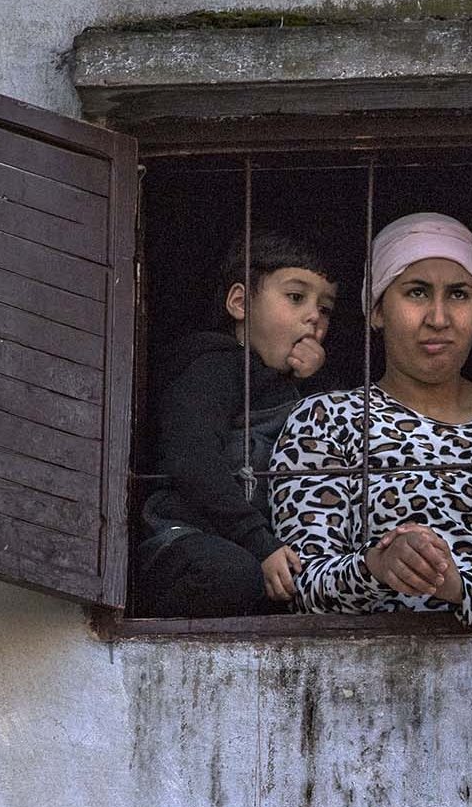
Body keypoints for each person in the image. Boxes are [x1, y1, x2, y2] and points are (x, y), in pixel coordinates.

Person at [269, 211, 472, 623]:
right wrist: (376, 567)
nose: (439, 318)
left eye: (459, 294)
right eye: (417, 293)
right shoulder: (326, 420)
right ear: (376, 310)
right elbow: (300, 583)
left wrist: (462, 585)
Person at [133, 230, 338, 618]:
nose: (313, 316)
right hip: (181, 537)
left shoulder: (303, 393)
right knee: (234, 575)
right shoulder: (213, 367)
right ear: (240, 302)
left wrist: (313, 383)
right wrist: (260, 543)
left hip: (255, 547)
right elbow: (192, 461)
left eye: (325, 308)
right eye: (296, 297)